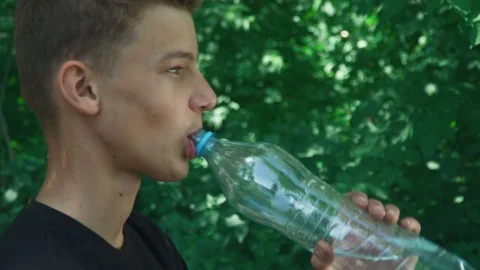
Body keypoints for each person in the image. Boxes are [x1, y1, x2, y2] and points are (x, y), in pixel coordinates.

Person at [0, 1, 422, 269]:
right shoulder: (32, 262)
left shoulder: (147, 241)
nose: (208, 96)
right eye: (175, 70)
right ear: (84, 89)